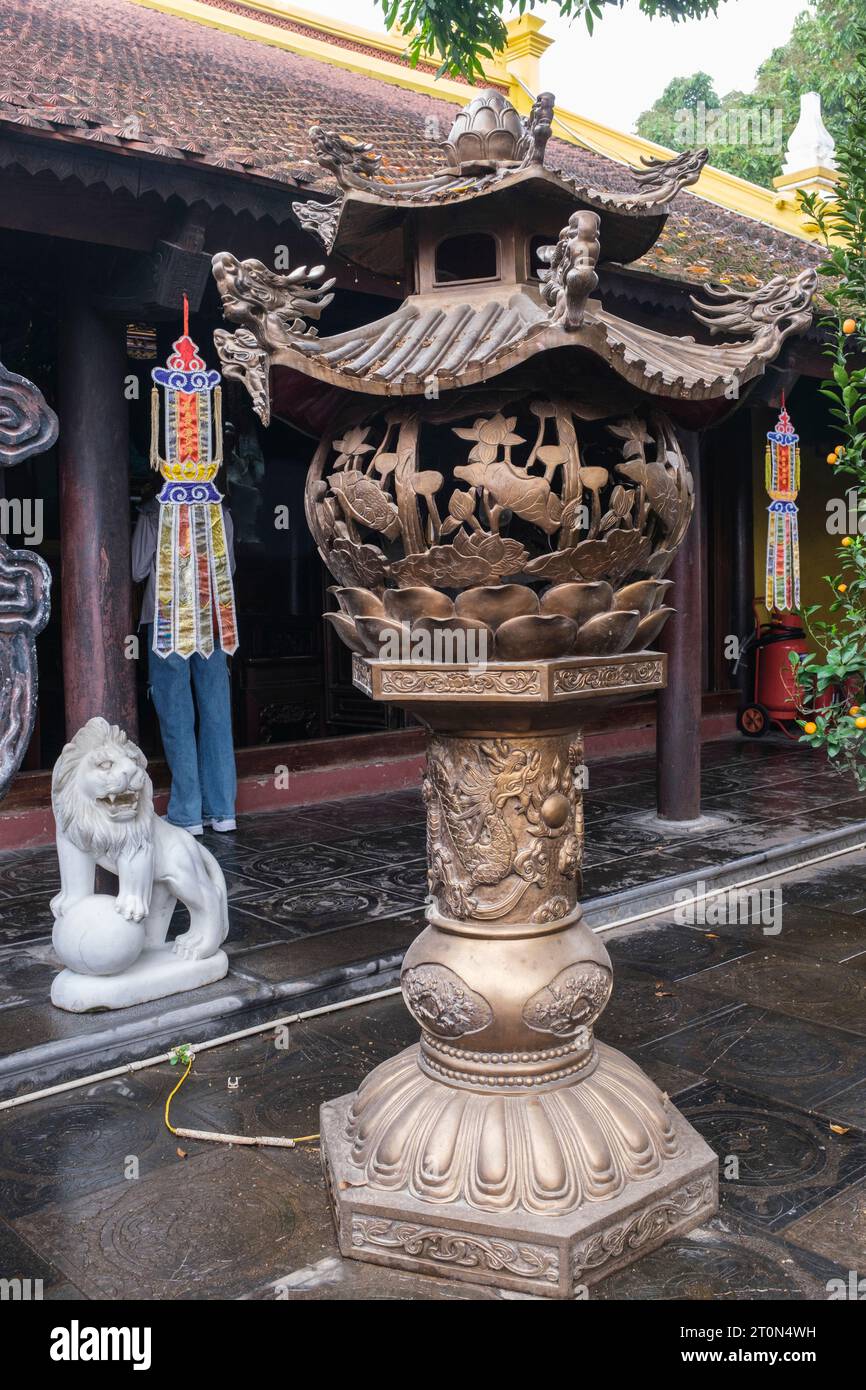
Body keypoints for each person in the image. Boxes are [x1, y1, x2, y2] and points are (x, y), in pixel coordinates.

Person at [132, 490, 238, 836]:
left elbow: (136, 569)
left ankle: (187, 813)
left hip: (166, 621)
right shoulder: (219, 509)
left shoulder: (153, 510)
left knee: (177, 713)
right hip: (213, 620)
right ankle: (222, 811)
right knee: (216, 712)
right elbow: (230, 567)